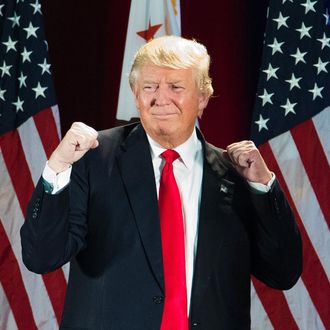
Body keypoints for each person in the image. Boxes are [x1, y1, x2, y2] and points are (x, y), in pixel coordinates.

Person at [21, 36, 302, 330]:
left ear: (203, 96)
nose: (161, 98)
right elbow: (41, 257)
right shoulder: (91, 158)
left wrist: (263, 186)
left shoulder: (237, 174)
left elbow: (283, 273)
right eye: (149, 86)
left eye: (176, 87)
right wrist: (57, 166)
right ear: (135, 93)